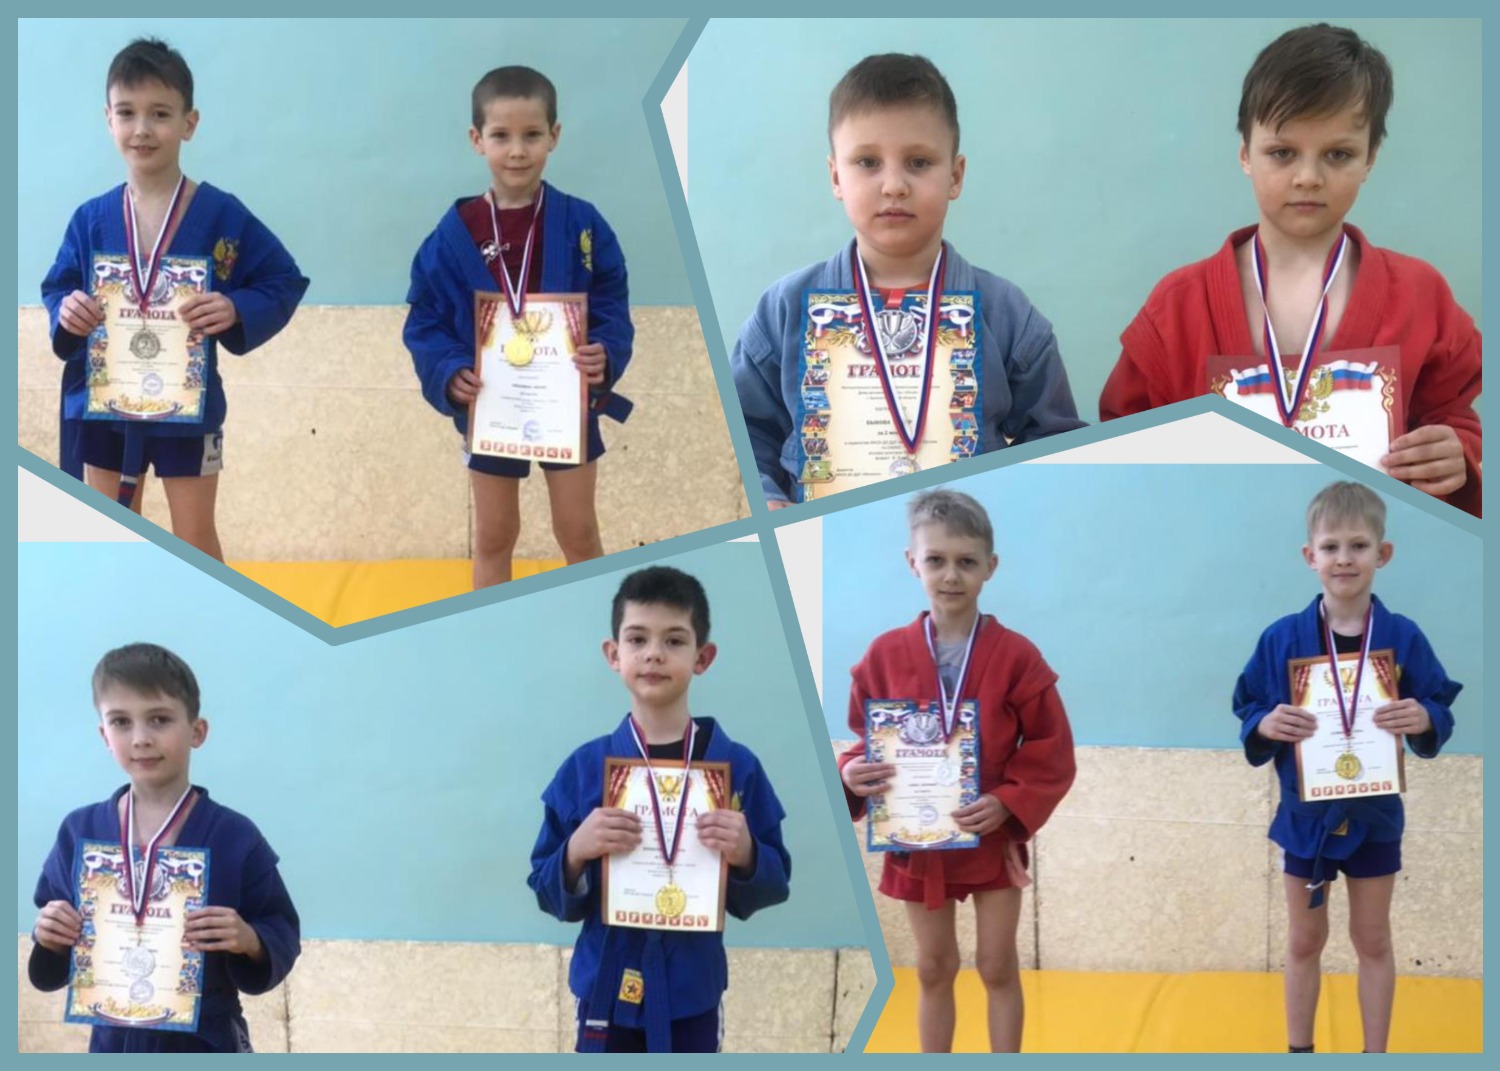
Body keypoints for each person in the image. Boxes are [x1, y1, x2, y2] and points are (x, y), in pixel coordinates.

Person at [1102, 24, 1482, 518]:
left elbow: (1453, 418)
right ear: (1245, 153)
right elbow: (1121, 443)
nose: (1308, 177)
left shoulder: (1420, 296)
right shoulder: (1177, 307)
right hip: (1227, 540)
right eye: (1282, 153)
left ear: (1370, 158)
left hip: (1363, 543)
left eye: (1338, 154)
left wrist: (1457, 453)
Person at [731, 54, 1083, 508]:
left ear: (955, 176)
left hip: (951, 531)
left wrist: (1009, 507)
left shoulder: (1007, 314)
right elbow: (744, 430)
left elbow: (1055, 443)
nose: (894, 185)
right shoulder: (784, 310)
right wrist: (767, 499)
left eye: (918, 162)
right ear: (836, 176)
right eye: (867, 162)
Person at [41, 38, 310, 559]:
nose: (142, 128)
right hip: (105, 402)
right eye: (127, 112)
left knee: (195, 538)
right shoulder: (90, 219)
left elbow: (281, 279)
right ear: (108, 120)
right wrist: (66, 311)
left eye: (160, 113)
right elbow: (58, 289)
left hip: (188, 404)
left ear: (190, 122)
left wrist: (236, 308)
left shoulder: (221, 215)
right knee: (111, 540)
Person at [837, 489, 1075, 1052]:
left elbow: (1051, 745)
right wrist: (849, 773)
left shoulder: (1016, 655)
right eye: (936, 559)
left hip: (988, 833)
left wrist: (1009, 801)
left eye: (966, 561)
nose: (951, 575)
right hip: (916, 840)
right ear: (912, 562)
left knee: (997, 965)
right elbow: (863, 740)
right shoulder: (883, 655)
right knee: (933, 967)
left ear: (990, 566)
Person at [1232, 481, 1460, 1053]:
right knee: (1303, 941)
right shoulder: (1281, 639)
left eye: (1358, 545)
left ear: (1383, 554)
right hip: (1305, 818)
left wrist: (1424, 717)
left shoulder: (1402, 637)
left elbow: (1438, 703)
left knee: (1373, 939)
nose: (1344, 559)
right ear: (1310, 556)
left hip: (1375, 815)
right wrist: (1265, 724)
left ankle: (1375, 1054)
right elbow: (1249, 705)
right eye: (1331, 547)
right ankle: (1299, 1052)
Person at [527, 566, 791, 1052]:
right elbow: (545, 889)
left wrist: (748, 854)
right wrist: (575, 852)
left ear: (702, 657)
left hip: (691, 993)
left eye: (674, 640)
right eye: (637, 639)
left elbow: (775, 884)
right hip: (605, 990)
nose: (654, 653)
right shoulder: (585, 768)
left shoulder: (736, 768)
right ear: (614, 654)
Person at [405, 65, 633, 587]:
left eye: (531, 135)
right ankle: (486, 624)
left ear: (554, 135)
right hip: (491, 405)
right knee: (493, 535)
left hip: (565, 402)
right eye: (501, 136)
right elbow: (425, 316)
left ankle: (596, 617)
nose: (516, 151)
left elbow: (612, 300)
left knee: (578, 531)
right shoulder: (454, 234)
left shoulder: (583, 223)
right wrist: (448, 371)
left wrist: (605, 349)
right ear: (476, 139)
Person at [29, 643, 300, 1052]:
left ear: (197, 731)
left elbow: (280, 928)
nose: (140, 739)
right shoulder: (79, 831)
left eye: (159, 719)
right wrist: (50, 935)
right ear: (104, 735)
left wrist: (249, 939)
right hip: (113, 1041)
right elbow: (54, 932)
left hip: (206, 1040)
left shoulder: (235, 836)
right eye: (121, 722)